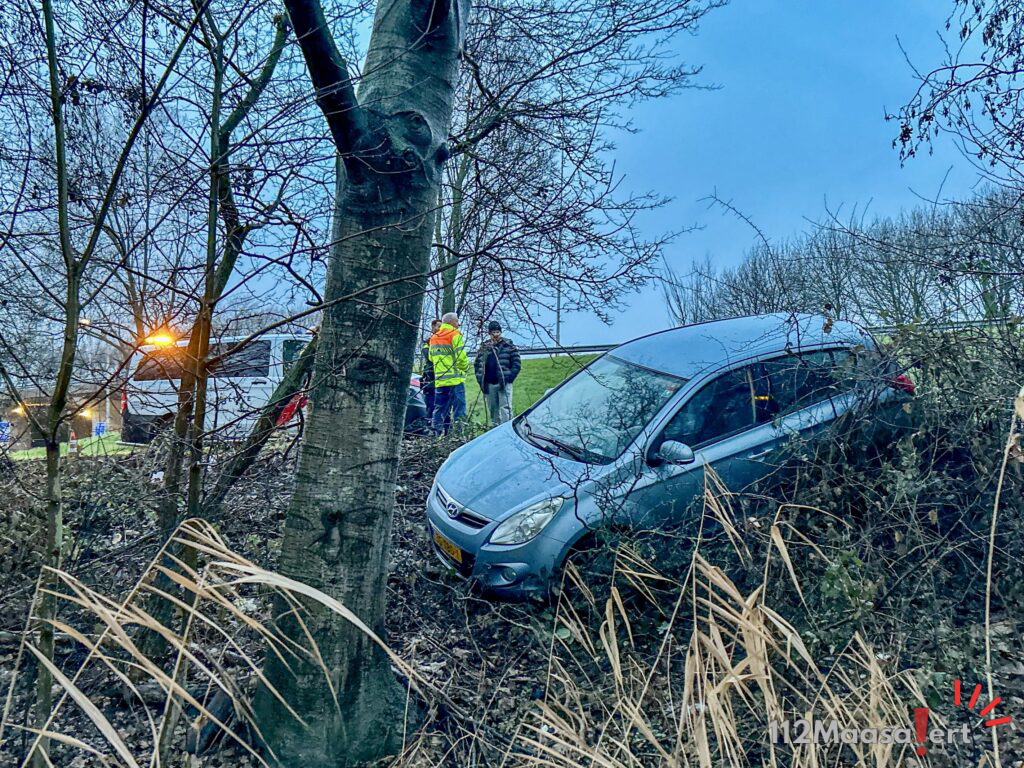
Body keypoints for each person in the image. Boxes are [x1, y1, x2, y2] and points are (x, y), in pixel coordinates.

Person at [428, 312, 469, 434]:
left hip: (440, 380)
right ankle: (458, 436)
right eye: (457, 321)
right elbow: (461, 357)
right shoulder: (455, 335)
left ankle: (435, 436)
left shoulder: (434, 337)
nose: (458, 323)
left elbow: (431, 357)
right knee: (459, 411)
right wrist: (464, 368)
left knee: (439, 409)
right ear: (451, 322)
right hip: (455, 380)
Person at [474, 320, 521, 426]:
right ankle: (495, 429)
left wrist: (509, 377)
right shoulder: (484, 347)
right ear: (489, 334)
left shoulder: (508, 345)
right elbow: (477, 364)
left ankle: (507, 428)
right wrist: (480, 378)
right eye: (493, 333)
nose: (495, 335)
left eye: (497, 332)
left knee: (505, 408)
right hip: (489, 384)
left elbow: (517, 363)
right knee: (493, 410)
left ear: (500, 332)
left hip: (504, 382)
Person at [420, 318, 441, 425]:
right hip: (430, 379)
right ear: (433, 327)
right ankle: (429, 427)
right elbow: (430, 357)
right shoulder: (427, 343)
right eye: (438, 326)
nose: (440, 329)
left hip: (442, 378)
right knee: (430, 405)